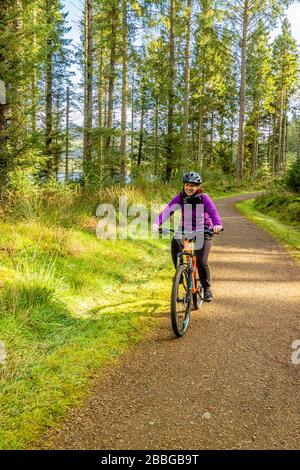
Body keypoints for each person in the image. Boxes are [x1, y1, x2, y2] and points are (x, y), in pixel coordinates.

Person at [152, 171, 223, 302]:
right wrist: (157, 223)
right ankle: (179, 273)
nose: (189, 188)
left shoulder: (203, 197)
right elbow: (168, 210)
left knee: (201, 261)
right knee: (175, 242)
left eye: (193, 185)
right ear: (184, 185)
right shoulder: (180, 197)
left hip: (204, 229)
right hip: (186, 228)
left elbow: (213, 211)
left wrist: (217, 224)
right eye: (187, 185)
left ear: (197, 187)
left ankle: (206, 288)